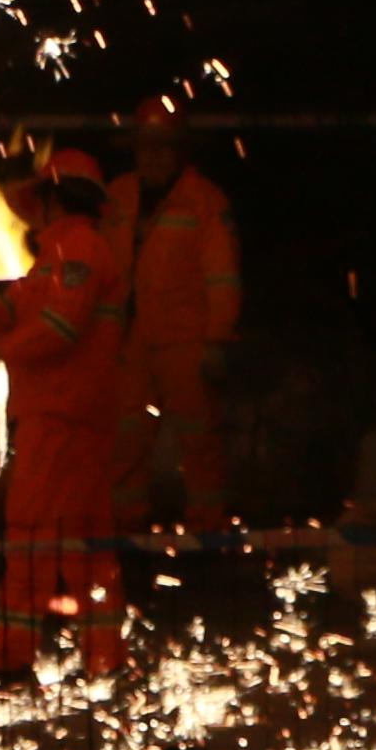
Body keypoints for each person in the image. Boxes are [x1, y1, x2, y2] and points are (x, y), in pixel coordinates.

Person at [0, 143, 134, 680]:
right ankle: (104, 661)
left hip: (60, 416)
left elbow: (60, 328)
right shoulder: (63, 251)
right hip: (75, 414)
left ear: (53, 198)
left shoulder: (78, 250)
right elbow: (18, 304)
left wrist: (1, 347)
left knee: (31, 535)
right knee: (86, 543)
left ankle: (13, 661)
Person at [114, 99, 243, 533]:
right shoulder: (117, 197)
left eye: (163, 146)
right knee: (125, 436)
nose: (152, 155)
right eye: (146, 145)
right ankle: (126, 527)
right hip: (131, 340)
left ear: (180, 150)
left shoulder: (204, 201)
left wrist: (217, 340)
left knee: (199, 438)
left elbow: (222, 277)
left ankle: (208, 529)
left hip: (187, 341)